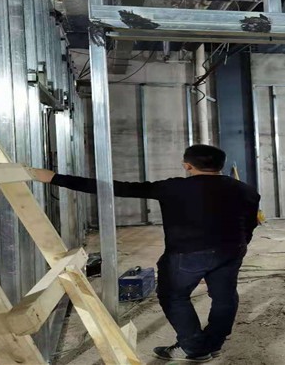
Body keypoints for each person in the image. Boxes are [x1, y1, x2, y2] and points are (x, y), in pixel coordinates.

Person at [30, 144, 261, 363]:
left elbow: (117, 187)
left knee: (174, 296)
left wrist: (54, 178)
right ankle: (213, 342)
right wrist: (240, 246)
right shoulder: (246, 190)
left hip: (187, 254)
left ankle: (193, 347)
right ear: (221, 165)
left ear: (187, 165)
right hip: (231, 252)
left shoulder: (172, 187)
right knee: (224, 297)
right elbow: (251, 223)